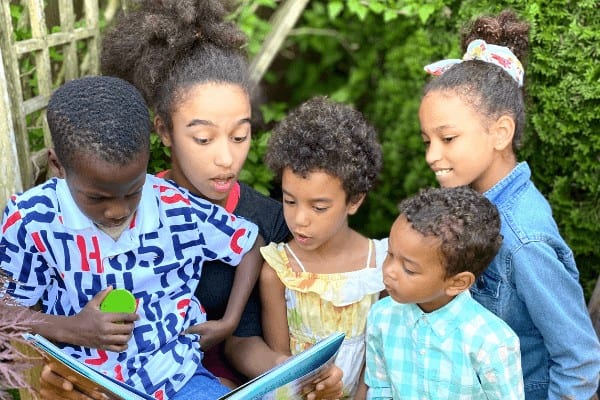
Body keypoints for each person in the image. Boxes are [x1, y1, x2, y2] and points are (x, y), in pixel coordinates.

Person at [38, 1, 343, 399]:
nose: (226, 158)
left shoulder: (270, 220)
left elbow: (249, 338)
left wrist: (300, 376)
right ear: (163, 131)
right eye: (203, 138)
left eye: (240, 136)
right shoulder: (109, 210)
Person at [0, 76, 262, 400]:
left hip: (175, 376)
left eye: (133, 191)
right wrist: (71, 329)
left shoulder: (174, 206)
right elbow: (5, 308)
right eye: (97, 198)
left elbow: (250, 242)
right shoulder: (32, 219)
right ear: (58, 165)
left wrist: (229, 321)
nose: (118, 211)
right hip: (87, 385)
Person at [419, 9, 600, 399]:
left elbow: (580, 357)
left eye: (447, 139)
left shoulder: (522, 239)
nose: (433, 155)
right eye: (426, 141)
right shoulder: (468, 203)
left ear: (500, 132)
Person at [259, 96, 386, 399]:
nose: (299, 220)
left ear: (354, 201)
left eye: (318, 207)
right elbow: (282, 372)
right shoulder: (279, 271)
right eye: (289, 201)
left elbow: (377, 367)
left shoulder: (381, 267)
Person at [364, 186, 524, 399]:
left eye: (409, 269)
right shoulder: (381, 317)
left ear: (458, 282)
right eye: (390, 254)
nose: (389, 271)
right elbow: (380, 389)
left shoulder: (492, 342)